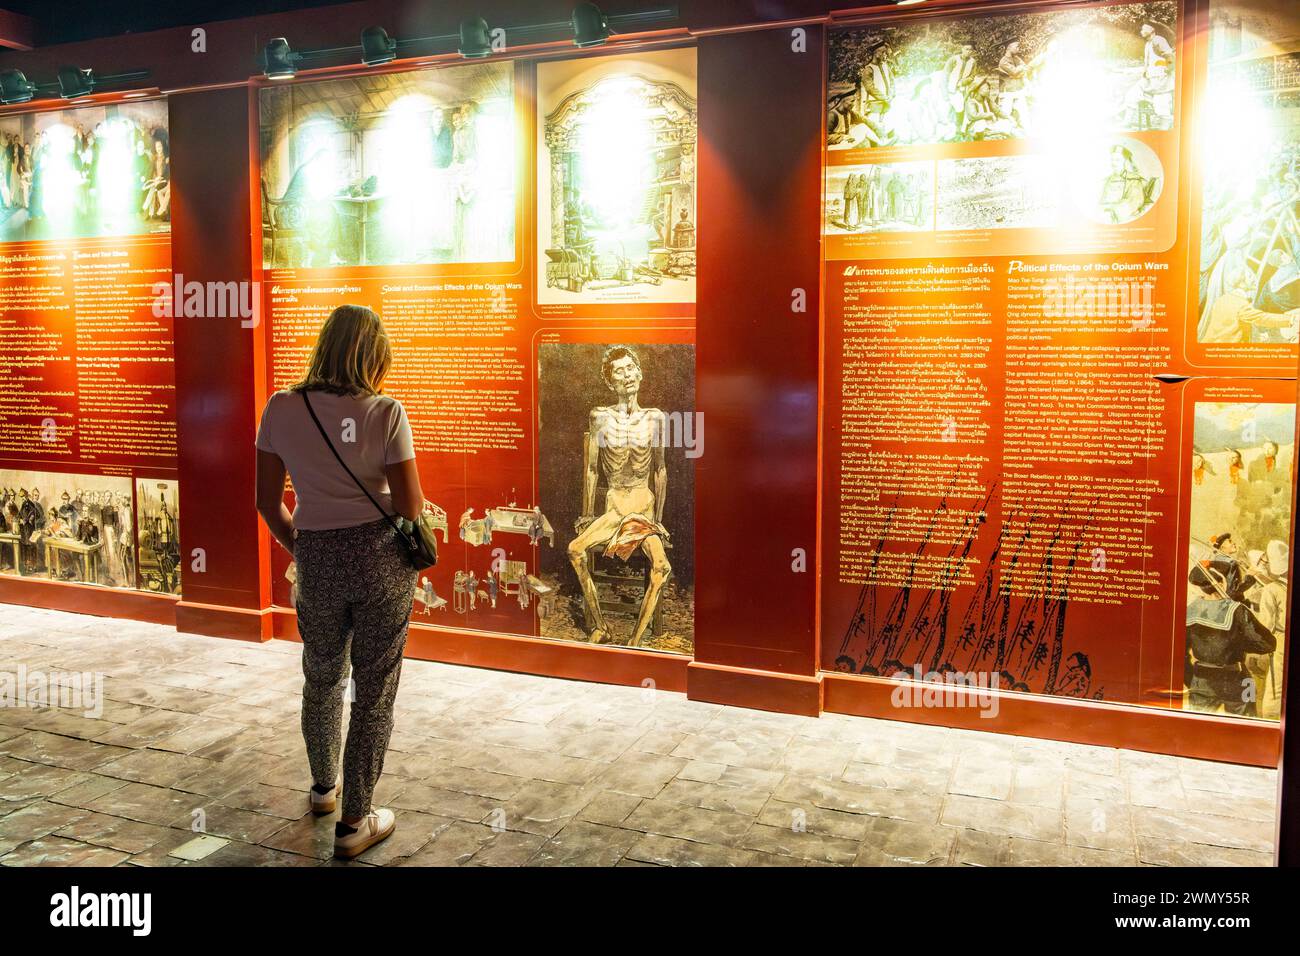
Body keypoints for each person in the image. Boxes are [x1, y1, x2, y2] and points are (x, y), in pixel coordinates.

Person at [255, 304, 424, 860]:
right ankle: (356, 823)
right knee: (374, 689)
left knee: (322, 675)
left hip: (318, 560)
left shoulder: (280, 407)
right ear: (375, 354)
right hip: (378, 562)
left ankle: (324, 790)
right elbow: (409, 506)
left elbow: (267, 501)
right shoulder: (386, 412)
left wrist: (303, 547)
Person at [1185, 563, 1275, 716]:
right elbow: (1267, 644)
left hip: (1200, 680)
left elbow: (1179, 654)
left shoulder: (1189, 609)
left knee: (1198, 728)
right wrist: (1238, 640)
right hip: (1236, 679)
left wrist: (1193, 681)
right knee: (1246, 727)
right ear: (1220, 583)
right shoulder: (1237, 610)